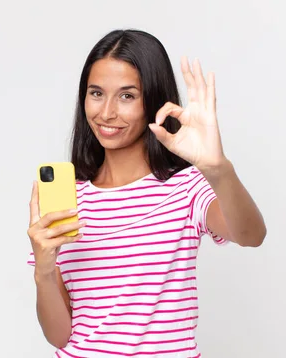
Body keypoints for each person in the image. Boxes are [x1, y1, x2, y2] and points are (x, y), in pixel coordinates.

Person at [26, 29, 266, 357]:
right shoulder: (70, 200)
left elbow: (251, 235)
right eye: (96, 93)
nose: (107, 112)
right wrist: (44, 269)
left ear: (152, 99)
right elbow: (59, 335)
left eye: (127, 96)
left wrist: (217, 168)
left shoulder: (185, 188)